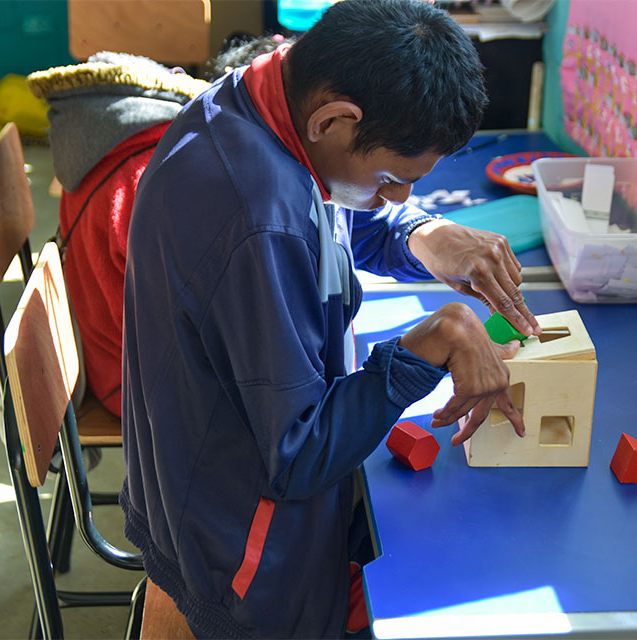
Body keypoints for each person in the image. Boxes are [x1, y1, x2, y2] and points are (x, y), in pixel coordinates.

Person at [121, 1, 541, 637]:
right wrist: (428, 345)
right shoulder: (258, 217)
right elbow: (297, 455)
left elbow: (335, 212)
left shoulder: (265, 100)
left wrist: (422, 233)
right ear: (335, 119)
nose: (398, 195)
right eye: (393, 178)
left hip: (197, 486)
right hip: (245, 555)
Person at [27, 38, 286, 417]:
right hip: (141, 391)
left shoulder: (108, 142)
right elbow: (186, 333)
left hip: (113, 360)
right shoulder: (160, 171)